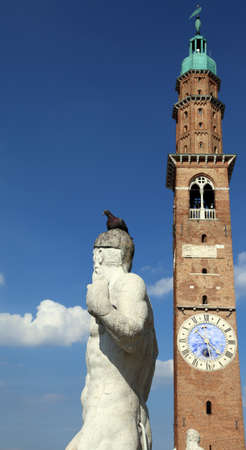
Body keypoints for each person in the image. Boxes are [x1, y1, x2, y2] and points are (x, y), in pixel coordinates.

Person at [66, 228, 158, 450]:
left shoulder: (129, 283)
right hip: (96, 415)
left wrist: (104, 310)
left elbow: (133, 337)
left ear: (100, 255)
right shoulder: (112, 289)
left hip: (114, 417)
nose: (93, 265)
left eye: (94, 256)